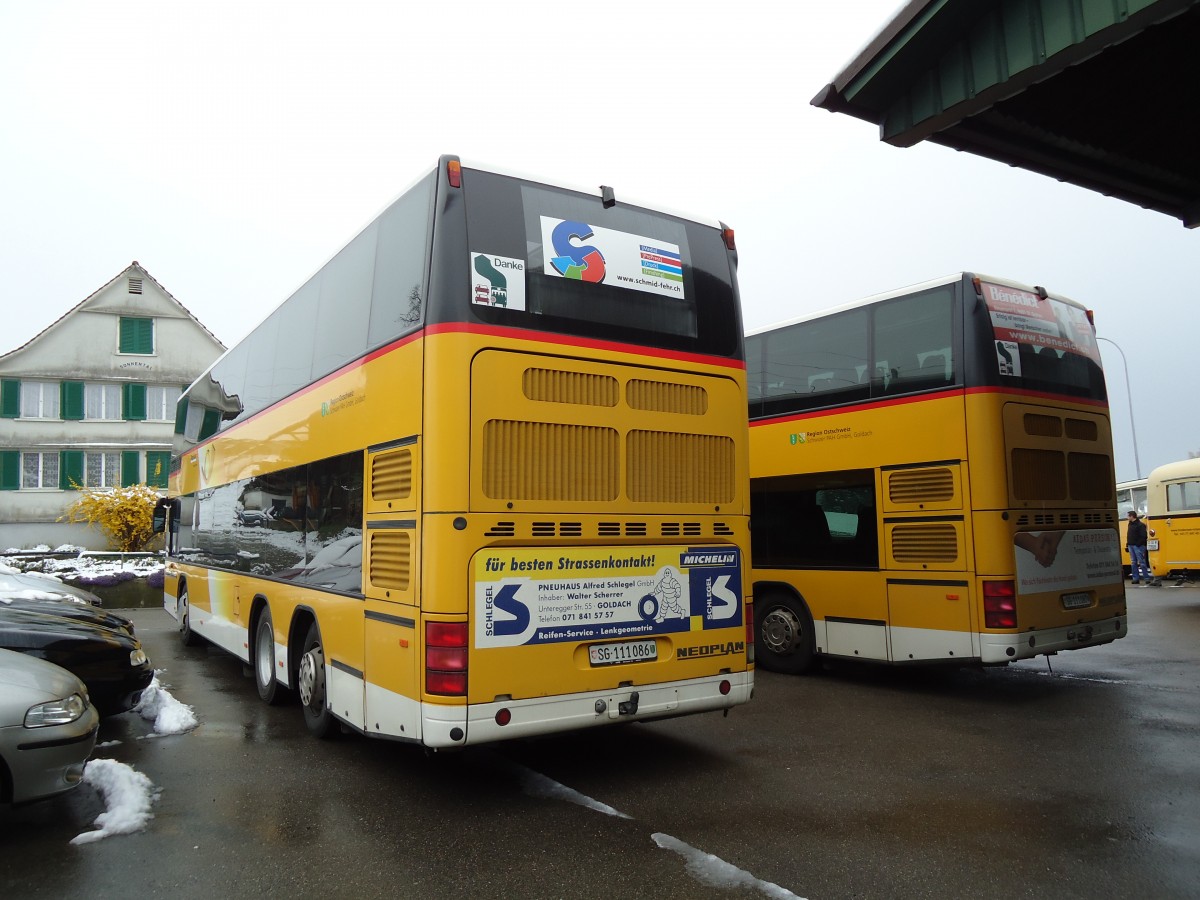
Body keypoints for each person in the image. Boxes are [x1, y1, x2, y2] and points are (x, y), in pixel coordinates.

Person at [1126, 511, 1152, 585]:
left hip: (1137, 546)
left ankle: (1145, 578)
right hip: (1132, 545)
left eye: (1128, 516)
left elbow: (1144, 536)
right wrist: (1128, 544)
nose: (1127, 517)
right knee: (1134, 562)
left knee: (1141, 562)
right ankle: (1137, 578)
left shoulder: (1140, 525)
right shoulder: (1131, 524)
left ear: (1132, 516)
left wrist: (1137, 544)